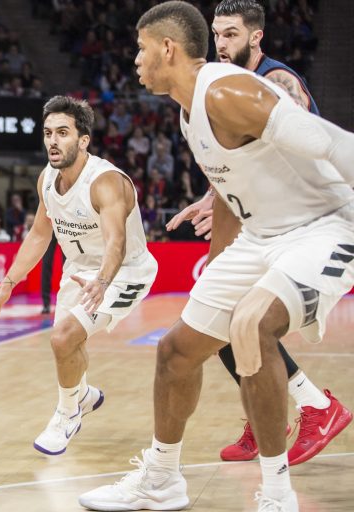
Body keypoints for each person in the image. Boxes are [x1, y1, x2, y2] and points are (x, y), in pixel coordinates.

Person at [79, 3, 354, 511]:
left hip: (326, 226)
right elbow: (232, 194)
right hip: (263, 234)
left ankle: (278, 496)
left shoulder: (227, 91)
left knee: (252, 324)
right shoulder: (189, 112)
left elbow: (337, 145)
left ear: (167, 48)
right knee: (176, 351)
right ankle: (162, 478)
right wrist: (219, 270)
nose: (135, 59)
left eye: (141, 48)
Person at [165, 0, 350, 466]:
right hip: (261, 218)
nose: (221, 44)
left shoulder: (276, 82)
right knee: (218, 322)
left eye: (231, 34)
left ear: (256, 37)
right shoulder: (216, 89)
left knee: (246, 323)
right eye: (216, 34)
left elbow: (300, 156)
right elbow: (242, 162)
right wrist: (213, 195)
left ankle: (309, 408)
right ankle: (274, 411)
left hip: (308, 224)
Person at [0, 95, 158, 456]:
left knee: (62, 337)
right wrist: (7, 285)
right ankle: (82, 396)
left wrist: (102, 282)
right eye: (48, 133)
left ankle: (67, 414)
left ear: (83, 140)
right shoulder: (47, 178)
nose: (53, 141)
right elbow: (39, 235)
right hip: (78, 270)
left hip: (123, 271)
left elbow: (116, 242)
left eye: (62, 133)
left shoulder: (105, 182)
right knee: (67, 345)